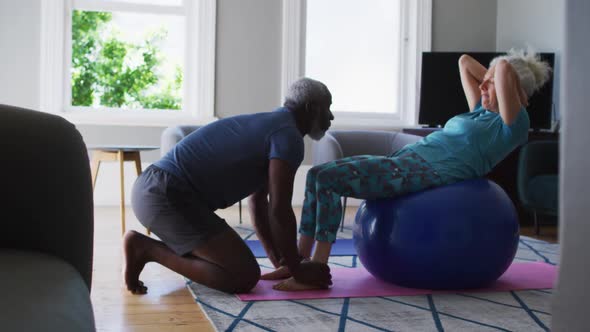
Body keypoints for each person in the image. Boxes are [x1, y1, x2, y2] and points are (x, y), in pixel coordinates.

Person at [262, 48, 552, 291]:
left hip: (425, 172)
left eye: (489, 82)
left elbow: (501, 67)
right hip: (406, 160)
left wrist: (507, 76)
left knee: (327, 179)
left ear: (512, 90)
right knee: (316, 175)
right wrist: (495, 77)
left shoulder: (512, 125)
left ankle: (318, 270)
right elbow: (464, 61)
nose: (482, 86)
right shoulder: (479, 110)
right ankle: (298, 263)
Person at [125, 77, 334, 294]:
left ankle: (146, 248)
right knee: (243, 276)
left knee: (235, 267)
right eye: (328, 108)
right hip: (166, 196)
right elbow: (279, 209)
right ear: (311, 108)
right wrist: (298, 270)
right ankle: (146, 249)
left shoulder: (274, 125)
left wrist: (282, 262)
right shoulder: (288, 136)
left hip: (152, 190)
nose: (331, 116)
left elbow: (259, 202)